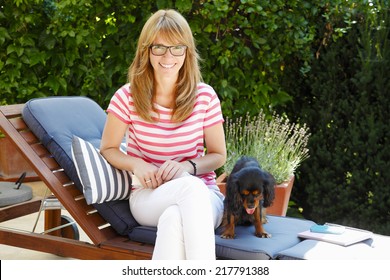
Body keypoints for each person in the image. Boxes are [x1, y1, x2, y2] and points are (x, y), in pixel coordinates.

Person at [100, 9, 226, 260]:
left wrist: (187, 168)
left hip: (205, 195)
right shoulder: (127, 97)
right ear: (146, 51)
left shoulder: (205, 96)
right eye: (159, 47)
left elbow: (218, 155)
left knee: (174, 218)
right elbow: (109, 148)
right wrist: (137, 164)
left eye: (177, 48)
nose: (168, 56)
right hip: (148, 198)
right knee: (187, 194)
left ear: (187, 52)